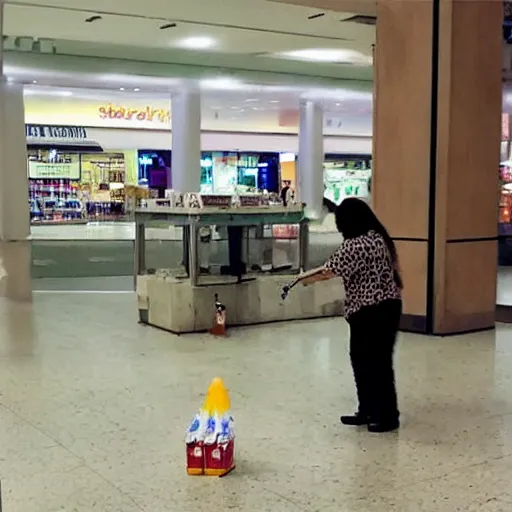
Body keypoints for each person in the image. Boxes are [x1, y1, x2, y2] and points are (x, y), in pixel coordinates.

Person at [300, 197, 403, 433]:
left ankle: (385, 416)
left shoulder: (355, 245)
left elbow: (329, 270)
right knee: (372, 362)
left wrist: (300, 280)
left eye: (340, 221)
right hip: (387, 308)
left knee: (371, 363)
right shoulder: (378, 237)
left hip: (371, 311)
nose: (338, 227)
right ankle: (369, 410)